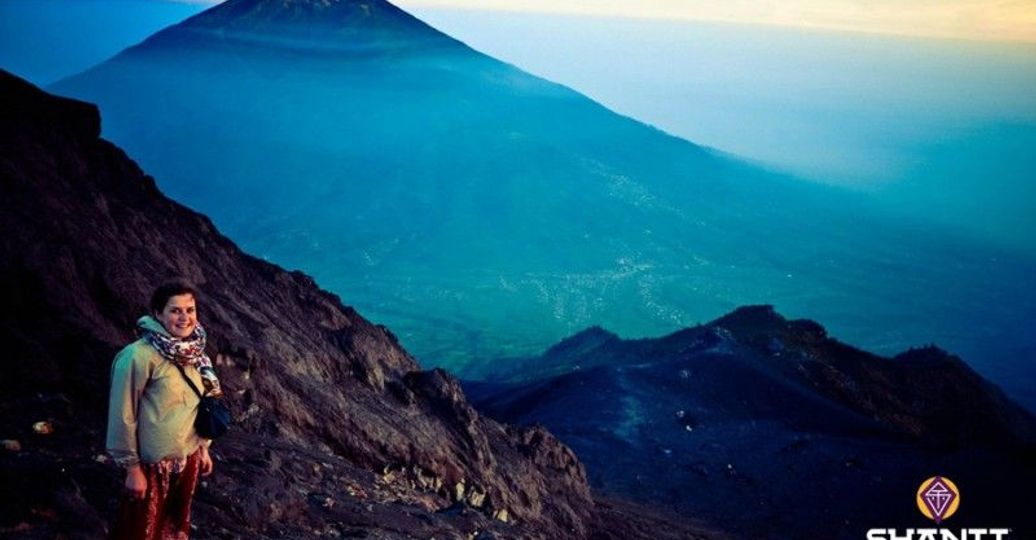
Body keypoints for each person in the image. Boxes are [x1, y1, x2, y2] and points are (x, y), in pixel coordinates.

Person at [106, 282, 222, 539]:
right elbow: (122, 414)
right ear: (158, 313)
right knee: (139, 532)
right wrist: (132, 469)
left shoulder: (196, 353)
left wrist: (203, 447)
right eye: (175, 310)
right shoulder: (138, 356)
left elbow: (203, 404)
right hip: (150, 466)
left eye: (190, 310)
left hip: (187, 459)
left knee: (172, 529)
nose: (185, 318)